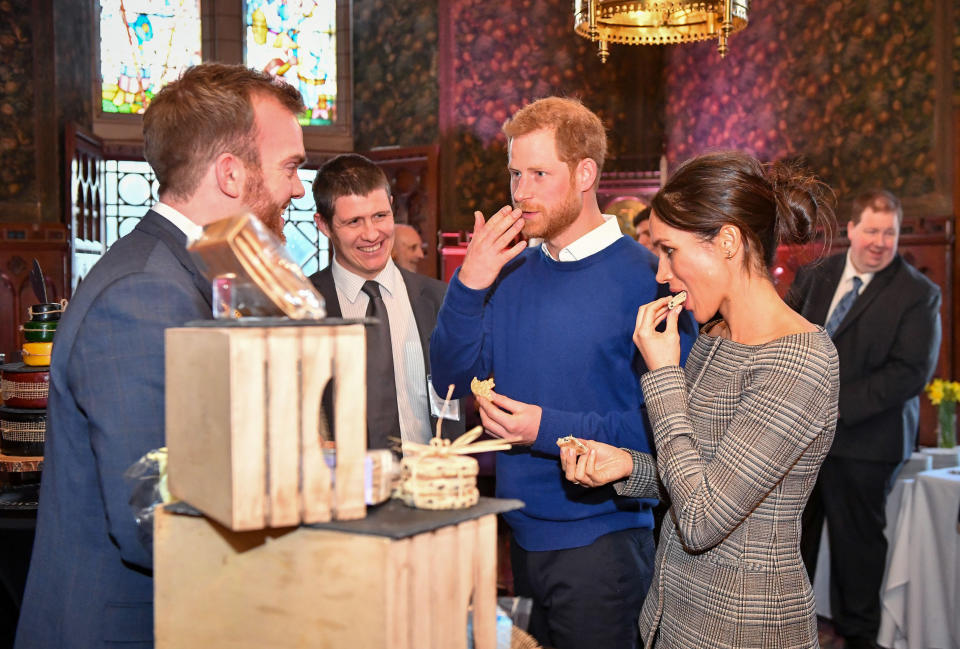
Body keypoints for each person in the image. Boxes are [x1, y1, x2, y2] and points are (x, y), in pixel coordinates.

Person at [14, 63, 307, 649]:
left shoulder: (198, 271)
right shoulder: (145, 293)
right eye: (291, 167)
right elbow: (157, 517)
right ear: (230, 173)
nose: (298, 189)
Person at [429, 96, 696, 649]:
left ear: (585, 174)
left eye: (538, 174)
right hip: (518, 535)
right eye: (514, 175)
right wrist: (471, 280)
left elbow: (668, 428)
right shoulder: (509, 273)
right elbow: (451, 385)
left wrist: (543, 429)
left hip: (607, 541)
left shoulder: (651, 280)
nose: (521, 192)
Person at [560, 151, 841, 649]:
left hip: (744, 626)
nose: (662, 272)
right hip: (677, 613)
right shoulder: (714, 336)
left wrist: (665, 372)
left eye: (669, 250)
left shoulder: (800, 361)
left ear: (727, 241)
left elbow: (700, 519)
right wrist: (626, 466)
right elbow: (693, 473)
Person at [789, 189, 941, 649]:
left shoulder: (919, 293)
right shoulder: (817, 274)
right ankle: (791, 632)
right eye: (871, 230)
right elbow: (782, 330)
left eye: (889, 233)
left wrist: (830, 409)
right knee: (792, 545)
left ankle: (858, 638)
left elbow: (908, 373)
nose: (879, 242)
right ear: (851, 229)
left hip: (866, 445)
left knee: (857, 556)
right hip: (798, 439)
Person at [309, 154, 464, 451]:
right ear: (324, 225)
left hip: (431, 486)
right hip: (343, 488)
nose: (371, 234)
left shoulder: (439, 299)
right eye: (354, 221)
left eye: (380, 216)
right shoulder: (303, 307)